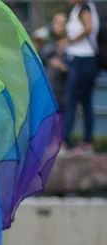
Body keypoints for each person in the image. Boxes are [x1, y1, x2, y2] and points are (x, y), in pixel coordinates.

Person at [59, 0, 101, 153]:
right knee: (85, 102)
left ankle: (65, 141)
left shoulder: (84, 8)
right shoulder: (80, 8)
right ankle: (87, 142)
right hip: (85, 60)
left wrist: (70, 41)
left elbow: (88, 27)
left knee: (71, 100)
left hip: (82, 60)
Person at [39, 13, 70, 113]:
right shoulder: (50, 43)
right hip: (49, 93)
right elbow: (42, 58)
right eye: (54, 23)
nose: (56, 26)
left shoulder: (73, 44)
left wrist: (63, 67)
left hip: (64, 94)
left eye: (60, 23)